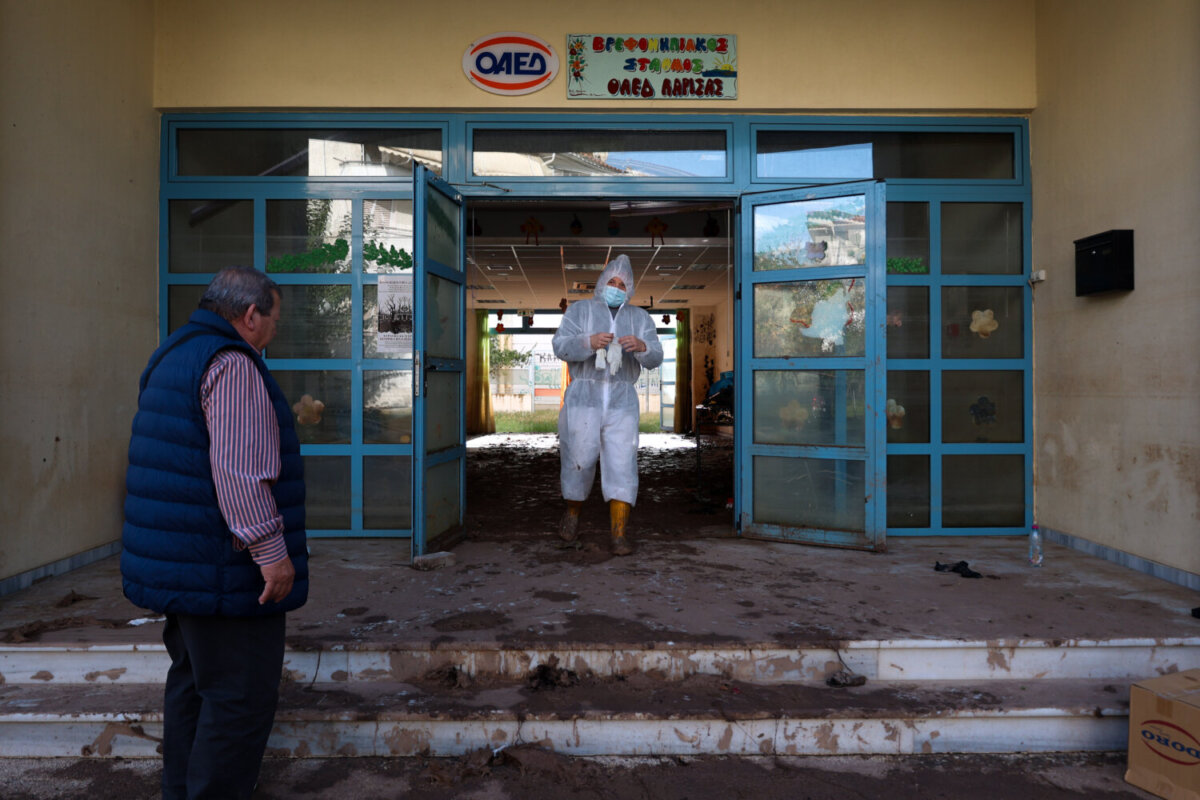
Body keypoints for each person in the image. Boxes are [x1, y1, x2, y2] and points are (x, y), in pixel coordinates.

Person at [121, 266, 308, 800]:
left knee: (193, 689)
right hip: (223, 570)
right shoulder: (233, 365)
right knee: (238, 701)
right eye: (274, 320)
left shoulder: (173, 356)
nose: (275, 331)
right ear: (250, 315)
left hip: (185, 562)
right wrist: (272, 554)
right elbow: (240, 472)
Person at [552, 254, 663, 555]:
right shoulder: (580, 310)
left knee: (622, 464)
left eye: (622, 284)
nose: (616, 287)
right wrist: (588, 342)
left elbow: (656, 356)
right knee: (579, 459)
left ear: (630, 289)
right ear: (602, 283)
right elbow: (560, 346)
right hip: (583, 401)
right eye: (611, 282)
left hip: (621, 402)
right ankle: (572, 514)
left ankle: (618, 534)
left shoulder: (640, 318)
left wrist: (642, 347)